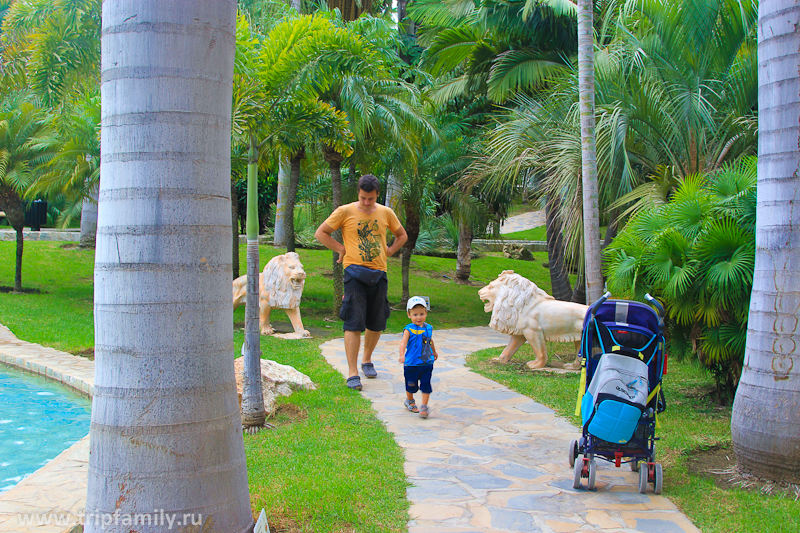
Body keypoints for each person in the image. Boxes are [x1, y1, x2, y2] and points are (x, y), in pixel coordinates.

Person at [315, 174, 408, 390]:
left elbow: (401, 235)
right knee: (353, 322)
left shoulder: (386, 212)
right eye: (364, 198)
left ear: (377, 195)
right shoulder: (345, 211)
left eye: (371, 199)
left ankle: (367, 359)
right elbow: (321, 233)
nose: (367, 203)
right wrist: (341, 249)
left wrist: (390, 251)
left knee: (377, 322)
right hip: (354, 274)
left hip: (379, 274)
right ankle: (352, 372)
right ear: (359, 193)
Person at [398, 296, 438, 418]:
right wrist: (401, 355)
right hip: (411, 364)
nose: (419, 317)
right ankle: (410, 400)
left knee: (426, 384)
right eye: (415, 314)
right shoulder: (408, 329)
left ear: (426, 313)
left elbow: (430, 341)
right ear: (409, 315)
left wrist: (434, 352)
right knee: (411, 385)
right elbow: (403, 343)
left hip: (426, 363)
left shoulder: (428, 328)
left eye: (421, 314)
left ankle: (424, 406)